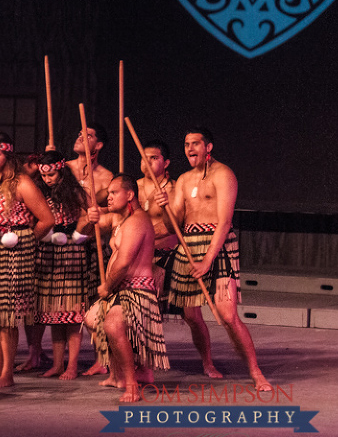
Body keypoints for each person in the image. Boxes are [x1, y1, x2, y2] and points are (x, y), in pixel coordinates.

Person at [155, 127, 271, 391]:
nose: (189, 148)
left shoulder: (223, 174)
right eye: (186, 144)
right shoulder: (183, 180)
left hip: (218, 247)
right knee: (191, 316)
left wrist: (208, 260)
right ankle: (207, 361)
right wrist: (164, 206)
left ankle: (255, 371)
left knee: (228, 314)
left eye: (195, 143)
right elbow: (173, 225)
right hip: (188, 245)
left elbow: (225, 221)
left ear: (208, 147)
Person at [86, 174, 170, 402]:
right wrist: (90, 216)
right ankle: (118, 375)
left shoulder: (138, 220)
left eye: (114, 193)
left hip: (136, 289)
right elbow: (84, 229)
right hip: (120, 289)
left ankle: (132, 384)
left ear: (130, 195)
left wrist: (107, 286)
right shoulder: (121, 219)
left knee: (113, 325)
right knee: (92, 319)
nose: (108, 197)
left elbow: (123, 263)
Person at [0, 132, 54, 387]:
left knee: (6, 316)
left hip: (13, 253)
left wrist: (25, 241)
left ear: (8, 155)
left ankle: (6, 373)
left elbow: (47, 220)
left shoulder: (22, 183)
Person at [32, 151, 92, 380]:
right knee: (54, 314)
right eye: (44, 175)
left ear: (61, 171)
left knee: (72, 314)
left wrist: (78, 235)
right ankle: (58, 364)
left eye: (52, 174)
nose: (48, 179)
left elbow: (89, 216)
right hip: (48, 252)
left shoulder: (75, 192)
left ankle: (72, 365)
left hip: (72, 252)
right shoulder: (39, 193)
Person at [136, 140, 178, 313]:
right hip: (137, 255)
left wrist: (143, 235)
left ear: (166, 163)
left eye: (153, 158)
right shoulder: (132, 187)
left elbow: (174, 224)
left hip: (164, 256)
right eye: (144, 158)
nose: (147, 162)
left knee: (191, 316)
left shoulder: (174, 189)